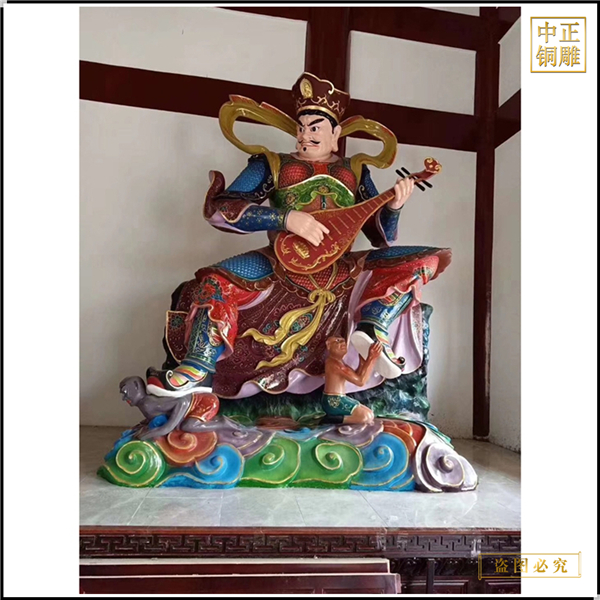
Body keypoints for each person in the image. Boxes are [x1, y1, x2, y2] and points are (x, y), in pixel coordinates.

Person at [146, 72, 451, 407]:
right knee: (215, 280)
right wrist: (285, 218)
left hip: (341, 266)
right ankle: (198, 369)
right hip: (280, 262)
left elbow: (381, 238)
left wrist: (394, 207)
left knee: (426, 260)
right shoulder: (273, 164)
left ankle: (372, 326)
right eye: (301, 127)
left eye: (315, 127)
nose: (305, 135)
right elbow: (223, 210)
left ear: (336, 134)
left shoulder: (355, 171)